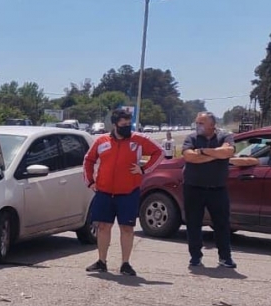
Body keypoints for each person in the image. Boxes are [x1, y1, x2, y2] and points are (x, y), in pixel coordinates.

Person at [83, 107, 164, 276]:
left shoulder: (139, 140)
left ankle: (125, 263)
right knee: (103, 227)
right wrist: (90, 182)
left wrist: (144, 169)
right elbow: (88, 160)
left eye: (129, 124)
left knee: (126, 228)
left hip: (128, 192)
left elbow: (159, 152)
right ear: (114, 125)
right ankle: (101, 261)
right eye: (123, 124)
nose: (127, 127)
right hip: (104, 192)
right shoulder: (101, 141)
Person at [181, 111, 238, 269]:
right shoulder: (191, 138)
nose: (197, 125)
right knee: (193, 224)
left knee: (222, 224)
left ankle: (225, 258)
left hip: (217, 189)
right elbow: (189, 157)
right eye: (197, 122)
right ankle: (195, 257)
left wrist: (203, 151)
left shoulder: (225, 137)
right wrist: (216, 155)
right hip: (193, 187)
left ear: (212, 125)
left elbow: (228, 152)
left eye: (201, 123)